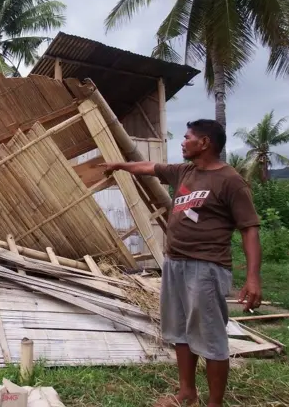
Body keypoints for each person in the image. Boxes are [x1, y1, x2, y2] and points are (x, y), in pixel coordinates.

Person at [100, 119, 262, 407]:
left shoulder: (230, 181)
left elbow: (249, 228)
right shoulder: (185, 171)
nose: (182, 141)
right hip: (175, 263)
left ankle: (215, 403)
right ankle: (187, 393)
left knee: (210, 336)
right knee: (180, 331)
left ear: (205, 143)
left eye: (187, 137)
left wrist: (253, 279)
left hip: (207, 267)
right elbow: (148, 168)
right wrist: (120, 166)